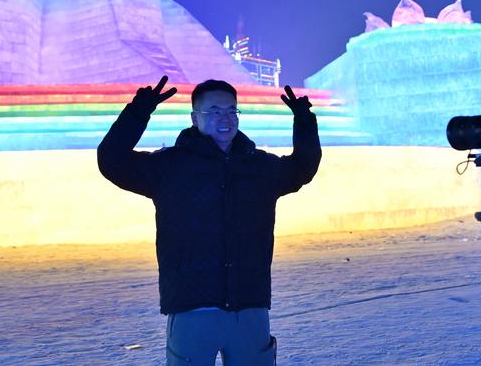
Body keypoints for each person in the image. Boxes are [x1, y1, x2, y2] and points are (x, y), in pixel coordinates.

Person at [97, 77, 321, 365]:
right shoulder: (169, 167)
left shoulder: (260, 167)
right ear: (195, 118)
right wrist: (138, 113)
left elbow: (302, 169)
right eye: (213, 111)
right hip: (192, 306)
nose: (225, 118)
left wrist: (304, 122)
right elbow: (112, 162)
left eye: (231, 110)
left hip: (249, 305)